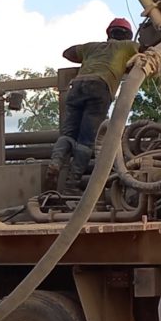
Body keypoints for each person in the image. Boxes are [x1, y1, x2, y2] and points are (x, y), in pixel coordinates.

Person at [55, 18, 141, 194]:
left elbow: (67, 53)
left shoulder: (92, 47)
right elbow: (150, 50)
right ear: (128, 35)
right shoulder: (127, 46)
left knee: (68, 134)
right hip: (100, 87)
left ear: (109, 33)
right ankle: (72, 184)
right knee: (87, 140)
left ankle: (55, 163)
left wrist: (88, 58)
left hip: (77, 86)